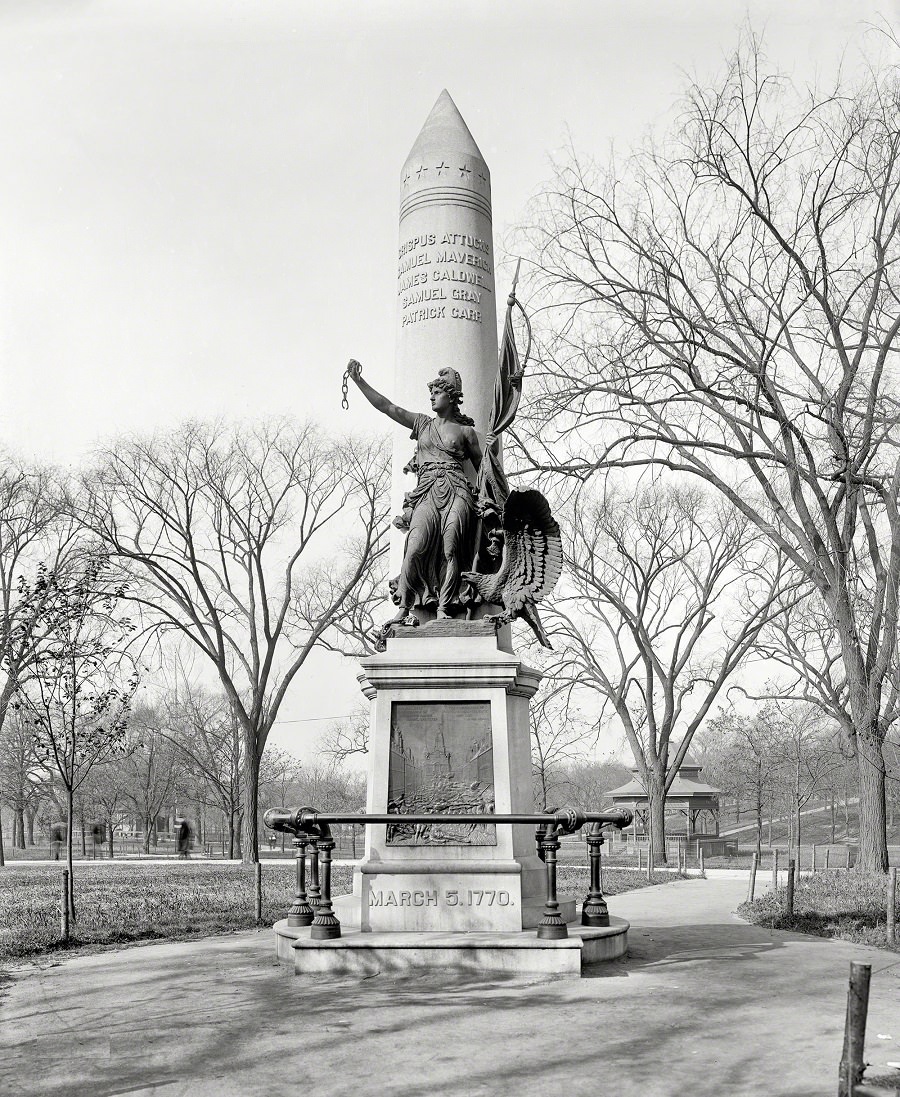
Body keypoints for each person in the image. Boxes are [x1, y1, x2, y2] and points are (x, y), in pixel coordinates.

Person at [345, 360, 483, 622]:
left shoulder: (466, 432)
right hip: (427, 490)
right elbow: (387, 407)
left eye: (437, 392)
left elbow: (484, 469)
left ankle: (445, 607)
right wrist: (359, 381)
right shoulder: (422, 424)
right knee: (415, 546)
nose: (431, 396)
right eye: (431, 393)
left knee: (451, 547)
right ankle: (405, 606)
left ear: (452, 397)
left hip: (457, 490)